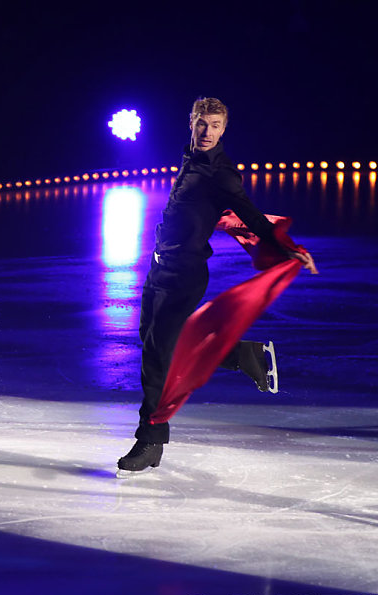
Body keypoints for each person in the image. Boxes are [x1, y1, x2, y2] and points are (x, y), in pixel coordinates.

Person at [118, 97, 317, 472]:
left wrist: (289, 249)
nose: (206, 132)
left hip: (186, 274)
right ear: (190, 123)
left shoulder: (221, 173)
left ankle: (149, 441)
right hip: (159, 268)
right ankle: (241, 354)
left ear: (224, 129)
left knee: (158, 358)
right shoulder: (191, 159)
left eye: (214, 125)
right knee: (154, 340)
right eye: (201, 124)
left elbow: (252, 217)